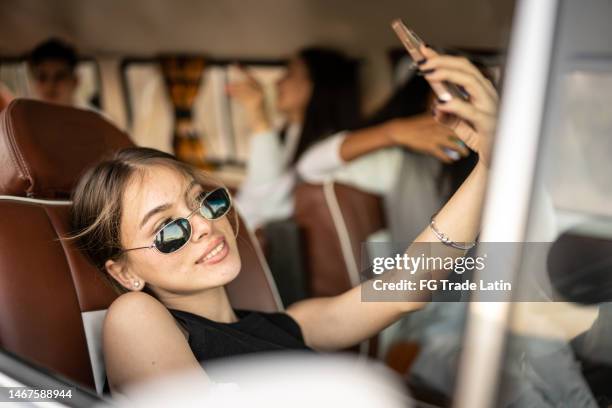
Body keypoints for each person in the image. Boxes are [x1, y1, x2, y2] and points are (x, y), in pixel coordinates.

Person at [69, 47, 496, 393]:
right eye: (168, 230)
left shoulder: (289, 324)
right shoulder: (135, 314)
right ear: (124, 271)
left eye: (203, 202)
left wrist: (491, 163)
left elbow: (405, 290)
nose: (203, 225)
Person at [226, 47, 361, 229]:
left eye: (289, 74)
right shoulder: (288, 135)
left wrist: (257, 111)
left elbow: (267, 198)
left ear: (315, 85)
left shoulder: (327, 149)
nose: (278, 82)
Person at [27, 38, 80, 107]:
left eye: (60, 77)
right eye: (42, 77)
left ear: (75, 82)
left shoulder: (91, 117)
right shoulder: (26, 116)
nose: (50, 85)